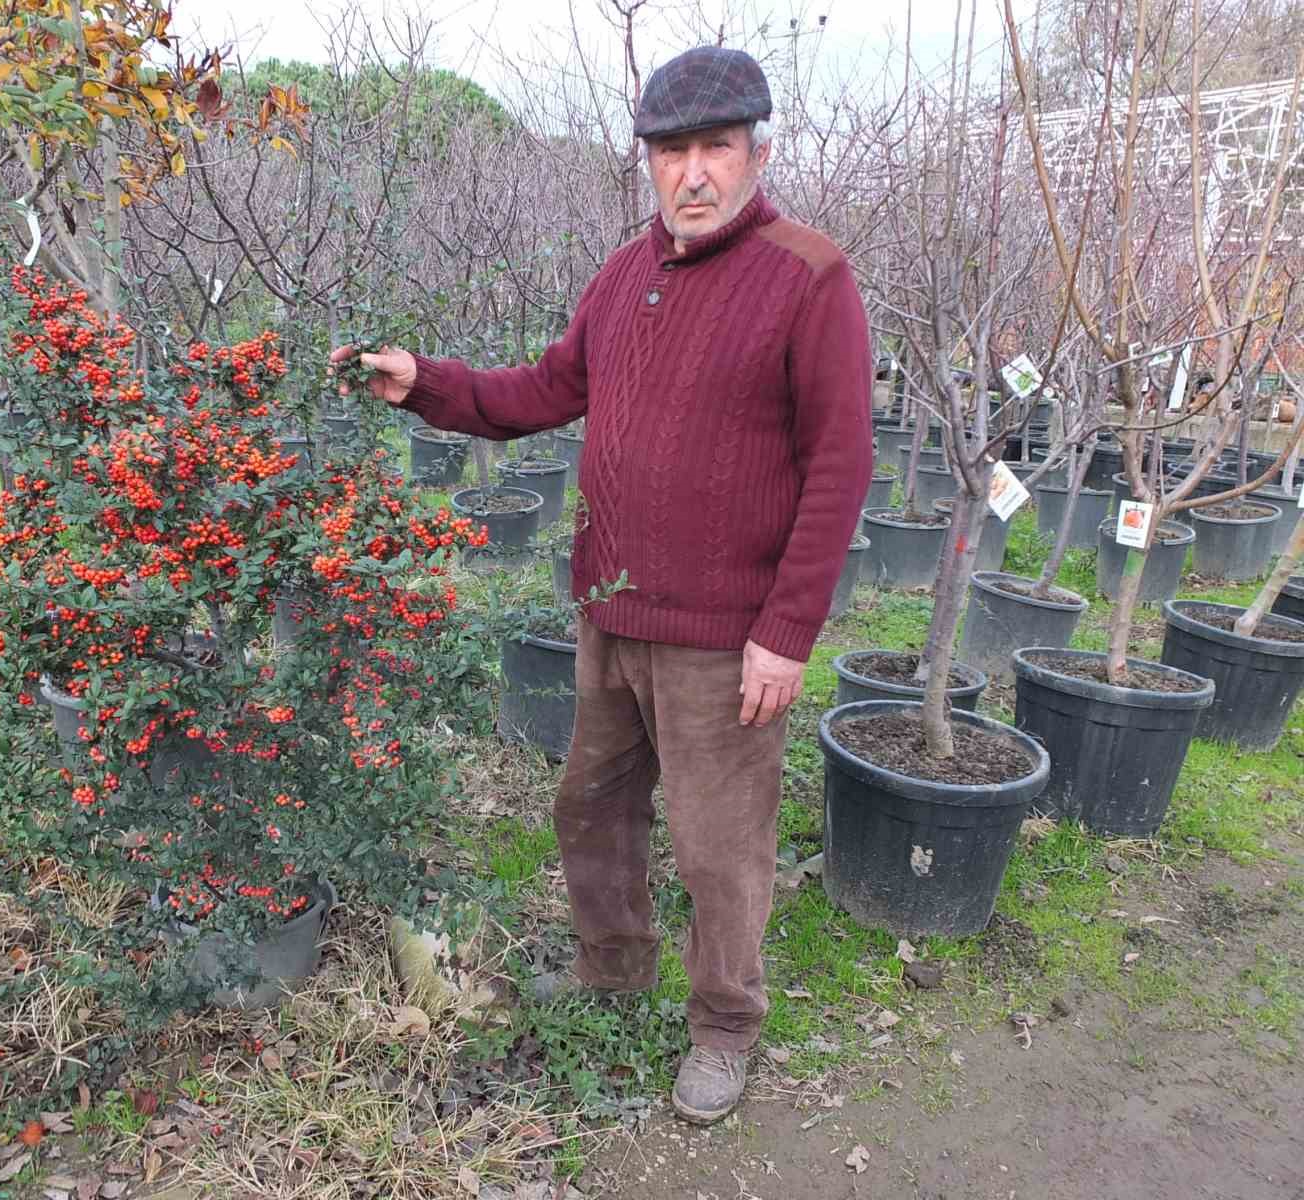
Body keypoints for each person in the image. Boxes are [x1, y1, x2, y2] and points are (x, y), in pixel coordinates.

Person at [330, 45, 872, 1124]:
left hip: (725, 638)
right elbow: (544, 389)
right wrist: (423, 383)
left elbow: (841, 463)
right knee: (590, 806)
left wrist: (786, 630)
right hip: (612, 616)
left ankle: (723, 1025)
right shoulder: (625, 275)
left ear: (756, 152)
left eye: (716, 147)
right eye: (672, 153)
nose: (695, 173)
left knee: (719, 849)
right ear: (650, 166)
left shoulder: (808, 277)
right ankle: (613, 973)